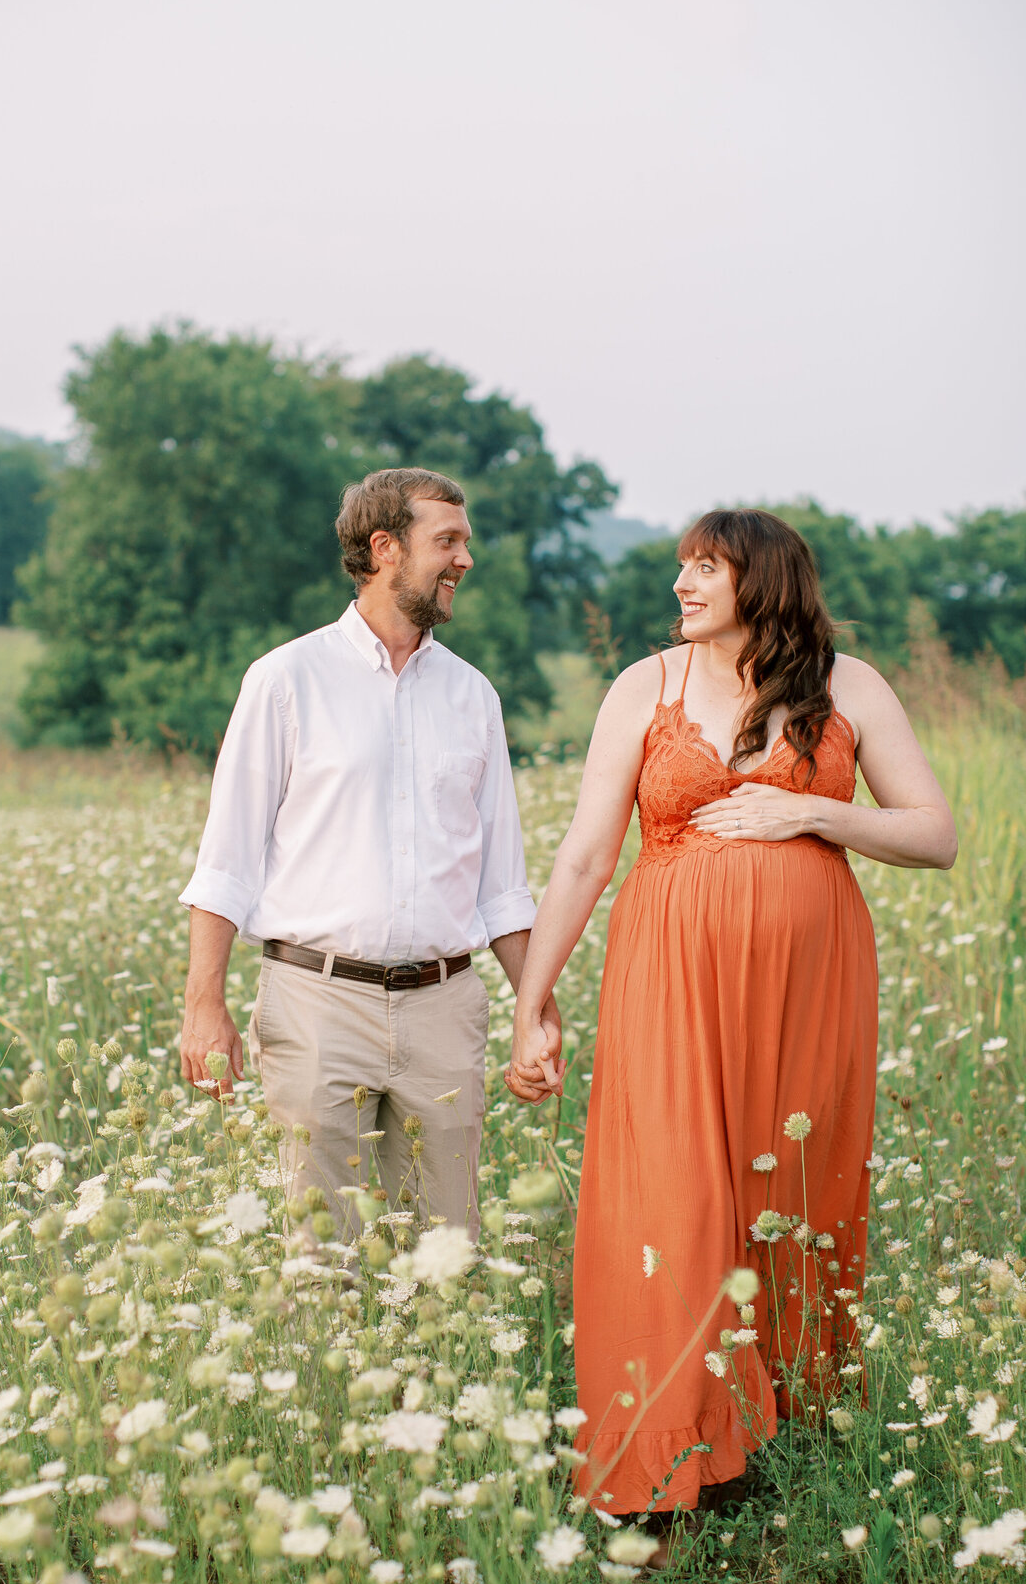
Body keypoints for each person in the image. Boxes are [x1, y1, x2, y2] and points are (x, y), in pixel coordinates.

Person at [506, 507, 956, 1526]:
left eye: (703, 568)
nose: (682, 586)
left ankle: (780, 1439)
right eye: (681, 568)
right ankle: (665, 1459)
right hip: (668, 975)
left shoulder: (850, 684)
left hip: (811, 985)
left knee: (790, 1189)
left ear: (762, 582)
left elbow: (936, 835)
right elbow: (585, 855)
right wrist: (533, 997)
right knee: (672, 1194)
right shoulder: (644, 689)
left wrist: (812, 812)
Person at [179, 466, 559, 1240]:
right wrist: (203, 1005)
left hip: (446, 1009)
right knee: (322, 1256)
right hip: (316, 1003)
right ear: (385, 547)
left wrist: (534, 1010)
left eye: (466, 541)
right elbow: (228, 858)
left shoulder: (473, 696)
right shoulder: (285, 679)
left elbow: (500, 887)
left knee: (446, 1254)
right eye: (447, 541)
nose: (465, 560)